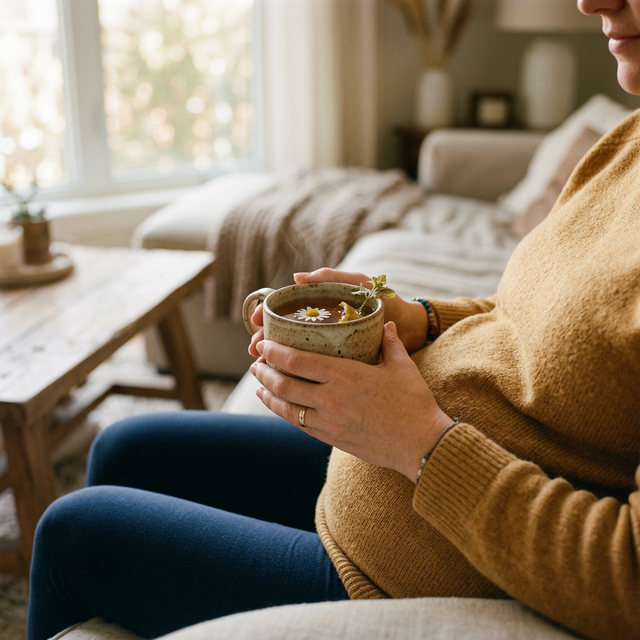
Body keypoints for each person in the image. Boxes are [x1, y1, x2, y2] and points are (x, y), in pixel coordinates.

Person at [27, 1, 640, 639]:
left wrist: (420, 444)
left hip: (402, 567)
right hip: (388, 476)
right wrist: (422, 320)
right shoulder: (628, 142)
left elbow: (627, 581)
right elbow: (542, 319)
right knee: (125, 447)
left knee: (73, 532)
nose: (591, 1)